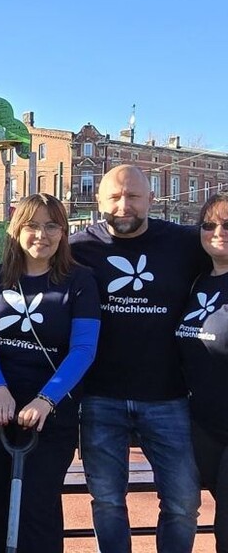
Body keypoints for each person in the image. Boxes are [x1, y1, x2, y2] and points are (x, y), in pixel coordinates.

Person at [72, 164, 206, 552]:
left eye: (132, 196)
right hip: (100, 397)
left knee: (183, 503)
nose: (123, 205)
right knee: (107, 502)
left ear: (151, 198)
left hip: (168, 396)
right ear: (99, 202)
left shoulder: (183, 242)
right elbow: (27, 277)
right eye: (114, 197)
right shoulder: (78, 248)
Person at [0, 193, 100, 552]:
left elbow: (83, 349)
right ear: (16, 230)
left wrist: (47, 399)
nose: (41, 234)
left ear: (63, 232)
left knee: (37, 506)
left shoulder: (80, 281)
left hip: (50, 411)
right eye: (32, 225)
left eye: (51, 226)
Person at [176, 192, 228, 552]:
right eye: (208, 225)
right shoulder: (198, 282)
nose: (217, 232)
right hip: (204, 427)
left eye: (227, 225)